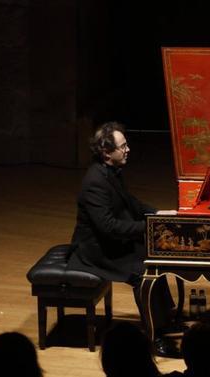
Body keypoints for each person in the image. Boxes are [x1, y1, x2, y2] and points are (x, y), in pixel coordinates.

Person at [68, 121, 178, 356]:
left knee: (155, 256)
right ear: (107, 152)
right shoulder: (94, 183)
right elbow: (108, 227)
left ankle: (165, 319)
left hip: (109, 242)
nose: (128, 150)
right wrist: (146, 228)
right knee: (141, 274)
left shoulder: (111, 173)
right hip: (95, 250)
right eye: (123, 146)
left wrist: (157, 214)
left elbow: (131, 202)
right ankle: (155, 336)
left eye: (126, 145)